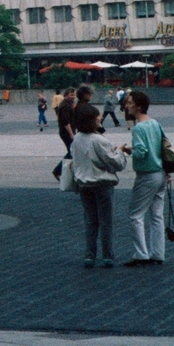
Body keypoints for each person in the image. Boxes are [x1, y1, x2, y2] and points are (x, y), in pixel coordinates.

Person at [71, 104, 128, 268]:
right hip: (102, 184)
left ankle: (89, 255)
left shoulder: (77, 139)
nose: (100, 117)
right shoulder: (99, 140)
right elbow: (116, 163)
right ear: (91, 120)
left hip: (83, 184)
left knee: (90, 220)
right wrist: (120, 151)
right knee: (106, 221)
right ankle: (107, 255)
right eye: (97, 116)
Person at [119, 89, 167, 266]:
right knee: (157, 215)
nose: (127, 105)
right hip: (160, 172)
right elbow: (164, 147)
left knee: (135, 215)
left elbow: (141, 152)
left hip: (146, 175)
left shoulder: (138, 128)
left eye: (130, 102)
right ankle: (158, 253)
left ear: (138, 107)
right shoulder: (155, 123)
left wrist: (127, 151)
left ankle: (141, 253)